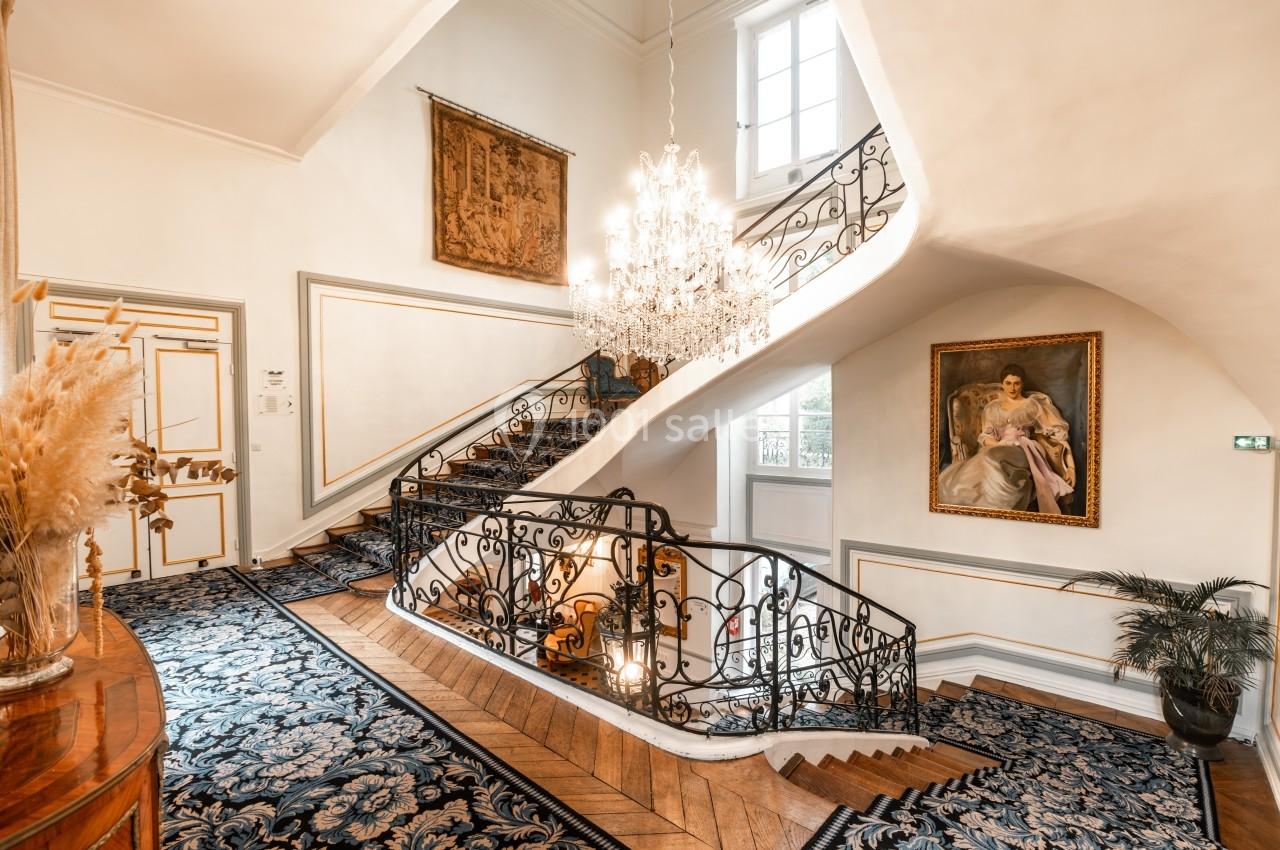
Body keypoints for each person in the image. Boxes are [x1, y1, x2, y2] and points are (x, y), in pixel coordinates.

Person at [937, 364, 1076, 514]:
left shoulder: (1032, 405)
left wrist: (1071, 467)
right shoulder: (992, 408)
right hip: (998, 447)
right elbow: (986, 436)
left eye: (1016, 383)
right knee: (987, 459)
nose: (1012, 388)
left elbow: (1059, 435)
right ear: (1002, 384)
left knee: (993, 458)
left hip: (1023, 448)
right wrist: (999, 444)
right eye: (1008, 383)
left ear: (1022, 384)